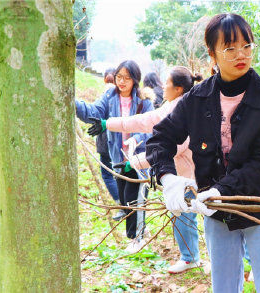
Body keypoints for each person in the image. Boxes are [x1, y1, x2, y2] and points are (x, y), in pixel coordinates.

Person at [145, 13, 260, 292]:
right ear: (212, 54)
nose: (241, 54)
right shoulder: (197, 98)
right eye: (229, 48)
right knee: (224, 286)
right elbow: (161, 138)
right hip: (215, 210)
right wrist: (167, 178)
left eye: (247, 45)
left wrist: (220, 190)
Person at [87, 66, 203, 274]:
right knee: (184, 213)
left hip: (193, 175)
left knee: (191, 214)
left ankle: (194, 258)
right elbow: (143, 121)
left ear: (177, 89)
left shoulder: (182, 110)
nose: (162, 87)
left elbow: (171, 149)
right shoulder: (172, 107)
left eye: (166, 83)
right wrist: (108, 124)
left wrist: (135, 162)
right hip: (184, 175)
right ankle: (191, 257)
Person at [75, 60, 154, 253]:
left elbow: (151, 128)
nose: (122, 81)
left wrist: (136, 139)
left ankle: (139, 237)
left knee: (135, 197)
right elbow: (93, 112)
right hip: (117, 157)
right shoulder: (110, 96)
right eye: (119, 77)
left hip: (138, 157)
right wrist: (73, 102)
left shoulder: (144, 101)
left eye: (127, 78)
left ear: (135, 80)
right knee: (125, 199)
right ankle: (133, 237)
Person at [95, 68, 124, 221]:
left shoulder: (105, 95)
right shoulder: (122, 94)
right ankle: (126, 205)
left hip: (106, 141)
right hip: (119, 140)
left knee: (108, 174)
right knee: (119, 174)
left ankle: (121, 205)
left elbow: (96, 114)